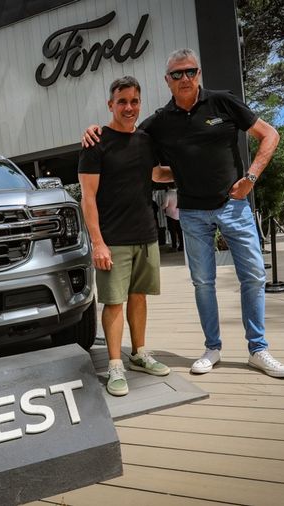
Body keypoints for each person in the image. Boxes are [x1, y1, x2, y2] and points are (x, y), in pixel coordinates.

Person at [83, 48, 284, 378]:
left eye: (190, 71)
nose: (185, 78)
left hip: (233, 207)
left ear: (199, 74)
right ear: (167, 80)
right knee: (203, 283)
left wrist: (250, 178)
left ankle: (258, 349)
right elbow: (132, 144)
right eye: (177, 74)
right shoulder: (158, 123)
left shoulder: (223, 102)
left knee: (253, 276)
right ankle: (212, 348)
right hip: (192, 213)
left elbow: (270, 134)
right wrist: (95, 131)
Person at [78, 76, 171, 397]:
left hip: (145, 233)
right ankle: (115, 364)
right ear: (110, 104)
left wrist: (191, 169)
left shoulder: (145, 140)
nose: (129, 107)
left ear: (139, 104)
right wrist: (97, 243)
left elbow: (154, 174)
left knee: (139, 296)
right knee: (114, 302)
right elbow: (87, 197)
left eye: (134, 101)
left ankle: (139, 354)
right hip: (112, 239)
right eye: (122, 101)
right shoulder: (95, 142)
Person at [163, 183, 183, 251]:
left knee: (172, 231)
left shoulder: (168, 194)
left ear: (168, 186)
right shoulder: (179, 193)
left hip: (170, 215)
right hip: (179, 215)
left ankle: (174, 246)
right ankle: (181, 246)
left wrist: (161, 206)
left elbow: (165, 205)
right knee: (179, 231)